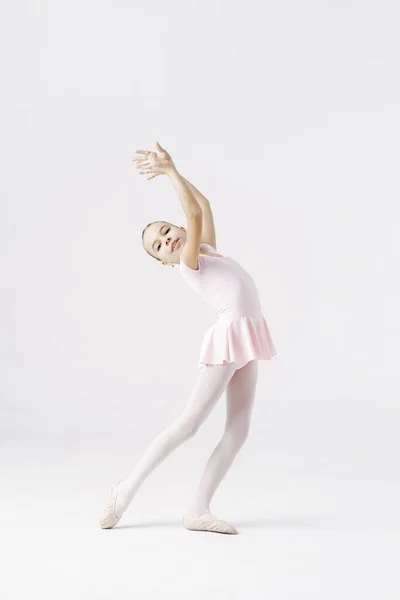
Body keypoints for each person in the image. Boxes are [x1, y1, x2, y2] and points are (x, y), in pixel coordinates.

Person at [99, 142, 277, 534]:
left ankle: (198, 508)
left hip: (245, 337)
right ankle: (125, 491)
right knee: (189, 424)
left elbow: (204, 206)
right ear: (164, 261)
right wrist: (168, 173)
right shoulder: (189, 262)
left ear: (178, 228)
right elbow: (193, 211)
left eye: (166, 230)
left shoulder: (209, 250)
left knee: (239, 428)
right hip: (228, 339)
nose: (166, 240)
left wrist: (175, 168)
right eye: (158, 246)